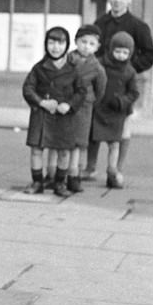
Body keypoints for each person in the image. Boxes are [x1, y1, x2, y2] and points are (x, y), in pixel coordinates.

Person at [84, 0, 153, 179]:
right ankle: (90, 168)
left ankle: (116, 169)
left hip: (123, 89)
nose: (116, 0)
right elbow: (92, 48)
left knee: (123, 129)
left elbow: (150, 54)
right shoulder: (100, 23)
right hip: (100, 86)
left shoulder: (138, 27)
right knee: (93, 127)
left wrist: (128, 69)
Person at [21, 26, 84, 196]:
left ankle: (59, 183)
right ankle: (37, 182)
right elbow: (28, 88)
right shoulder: (39, 68)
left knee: (64, 150)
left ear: (67, 45)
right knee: (36, 149)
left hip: (63, 116)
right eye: (51, 42)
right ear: (45, 44)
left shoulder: (73, 69)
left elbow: (81, 92)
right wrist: (41, 102)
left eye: (60, 43)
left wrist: (69, 105)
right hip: (42, 114)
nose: (55, 47)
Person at [91, 31, 140, 188]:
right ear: (111, 49)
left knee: (115, 144)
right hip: (99, 108)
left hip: (118, 111)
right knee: (91, 140)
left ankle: (112, 172)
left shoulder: (129, 71)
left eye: (125, 52)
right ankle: (86, 167)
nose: (120, 55)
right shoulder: (100, 65)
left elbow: (134, 92)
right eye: (117, 51)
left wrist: (122, 102)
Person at [66, 24, 106, 193]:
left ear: (97, 47)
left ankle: (74, 174)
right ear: (76, 41)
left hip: (83, 107)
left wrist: (90, 100)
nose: (86, 46)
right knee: (62, 140)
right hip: (66, 105)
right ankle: (59, 173)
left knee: (78, 143)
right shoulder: (66, 60)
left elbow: (100, 89)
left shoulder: (97, 68)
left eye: (91, 44)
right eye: (83, 42)